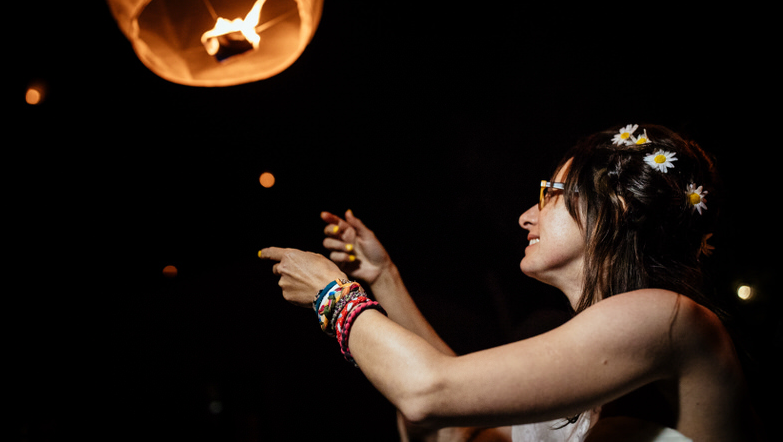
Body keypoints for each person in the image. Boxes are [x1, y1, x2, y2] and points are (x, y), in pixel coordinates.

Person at [259, 124, 764, 441]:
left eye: (550, 194)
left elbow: (430, 389)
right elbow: (458, 416)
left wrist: (332, 295)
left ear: (618, 205)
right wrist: (383, 279)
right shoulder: (605, 349)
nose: (526, 216)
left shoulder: (666, 317)